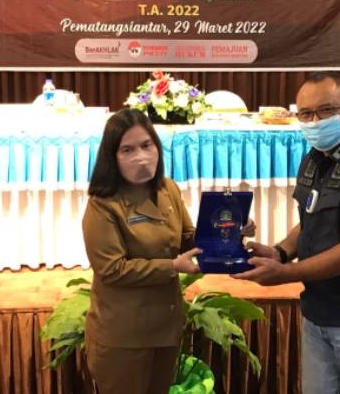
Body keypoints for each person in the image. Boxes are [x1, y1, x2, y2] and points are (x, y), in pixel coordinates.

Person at [233, 72, 340, 394]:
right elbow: (311, 219)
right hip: (318, 313)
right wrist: (279, 252)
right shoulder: (314, 159)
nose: (315, 121)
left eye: (326, 110)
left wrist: (287, 273)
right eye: (306, 113)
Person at [81, 108, 254, 394]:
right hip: (124, 336)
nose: (140, 155)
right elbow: (111, 269)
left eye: (146, 145)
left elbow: (188, 239)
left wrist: (231, 230)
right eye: (128, 149)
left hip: (165, 328)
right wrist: (172, 266)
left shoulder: (168, 189)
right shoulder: (103, 203)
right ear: (113, 156)